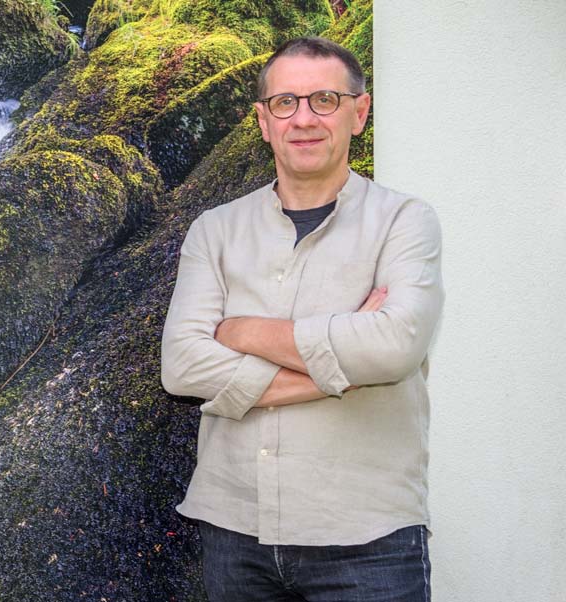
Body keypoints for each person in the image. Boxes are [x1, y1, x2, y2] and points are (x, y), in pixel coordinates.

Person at [159, 35, 443, 601]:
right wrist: (338, 367)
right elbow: (183, 368)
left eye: (325, 100)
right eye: (285, 103)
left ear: (358, 113)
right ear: (264, 121)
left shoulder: (404, 221)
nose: (304, 119)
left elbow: (395, 347)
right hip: (233, 529)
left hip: (369, 537)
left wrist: (243, 332)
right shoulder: (214, 231)